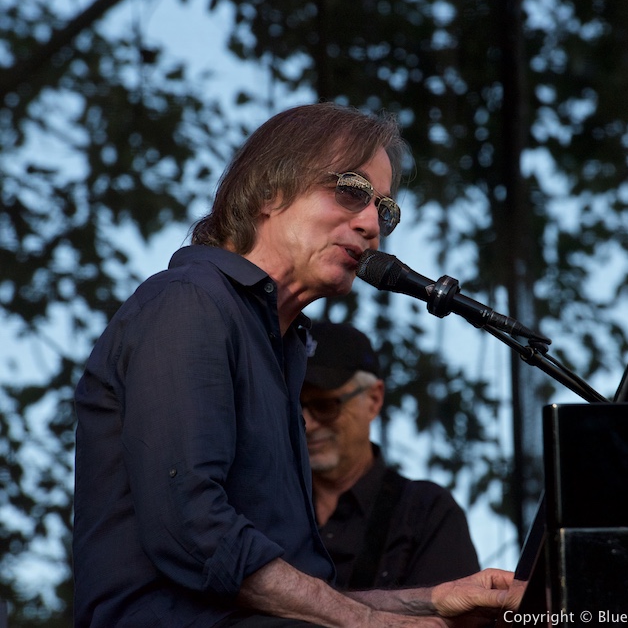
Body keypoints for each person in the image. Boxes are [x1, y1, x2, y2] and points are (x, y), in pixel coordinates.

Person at [73, 102, 520, 628]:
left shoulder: (280, 345)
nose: (372, 225)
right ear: (269, 191)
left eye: (386, 210)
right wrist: (372, 624)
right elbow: (194, 533)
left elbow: (294, 594)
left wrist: (430, 600)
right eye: (351, 190)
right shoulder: (190, 302)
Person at [302, 321, 481, 590]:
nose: (307, 423)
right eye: (293, 406)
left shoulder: (425, 514)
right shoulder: (263, 504)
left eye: (325, 405)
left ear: (373, 400)